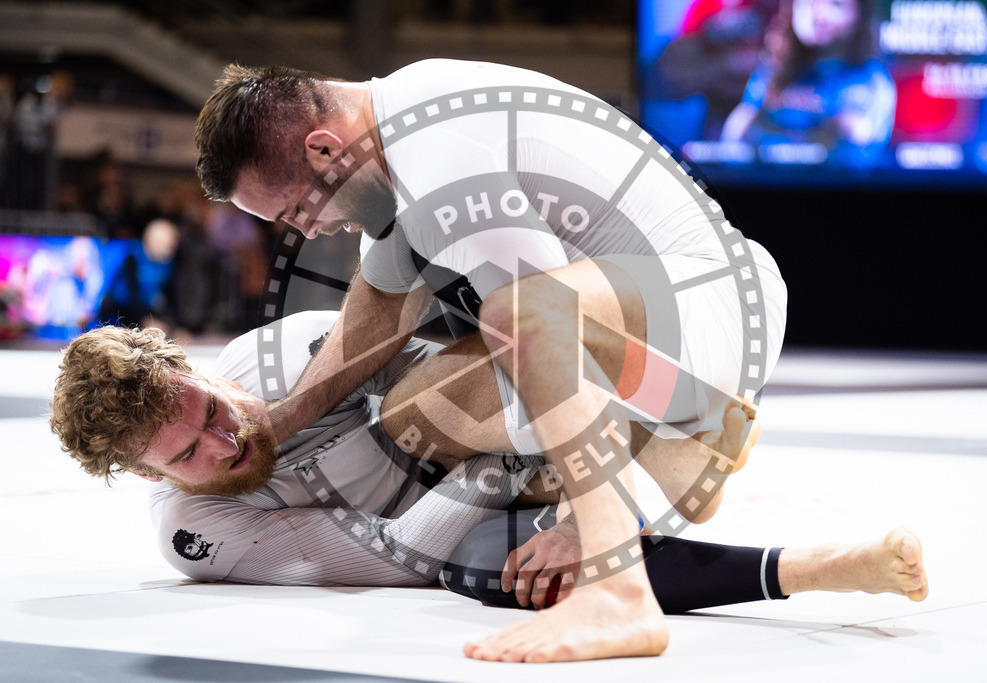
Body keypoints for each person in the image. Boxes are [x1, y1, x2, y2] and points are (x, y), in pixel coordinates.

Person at [194, 59, 789, 662]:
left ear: (323, 150)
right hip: (657, 312)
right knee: (414, 410)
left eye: (296, 211)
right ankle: (685, 437)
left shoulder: (437, 162)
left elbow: (547, 330)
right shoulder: (403, 122)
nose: (310, 231)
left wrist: (579, 523)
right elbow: (375, 313)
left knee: (514, 316)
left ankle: (621, 586)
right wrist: (276, 423)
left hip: (707, 298)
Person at [48, 312, 928, 614]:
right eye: (189, 452)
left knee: (422, 401)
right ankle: (814, 569)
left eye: (208, 407)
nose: (224, 438)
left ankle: (671, 420)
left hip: (521, 436)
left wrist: (581, 492)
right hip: (460, 511)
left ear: (194, 366)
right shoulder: (196, 532)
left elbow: (494, 360)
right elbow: (398, 559)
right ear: (148, 475)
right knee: (496, 571)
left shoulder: (284, 354)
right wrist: (548, 503)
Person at [720, 0, 896, 165]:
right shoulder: (774, 69)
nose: (817, 12)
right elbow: (736, 135)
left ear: (859, 16)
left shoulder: (870, 79)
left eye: (835, 4)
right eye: (809, 1)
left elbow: (859, 143)